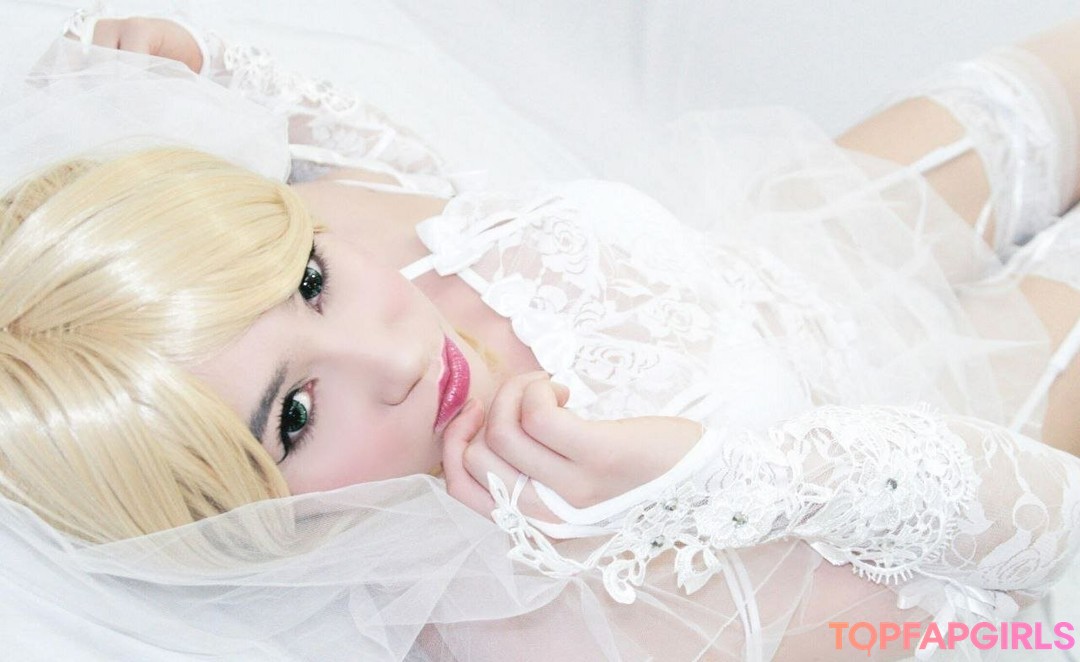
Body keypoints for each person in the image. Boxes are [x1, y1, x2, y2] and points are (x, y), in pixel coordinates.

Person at [1, 6, 1079, 660]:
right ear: (242, 521)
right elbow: (1037, 568)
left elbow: (406, 176)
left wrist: (207, 68)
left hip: (811, 227)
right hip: (991, 420)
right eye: (293, 415)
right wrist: (722, 482)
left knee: (1049, 77)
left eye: (311, 282)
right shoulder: (544, 618)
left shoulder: (335, 226)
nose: (400, 354)